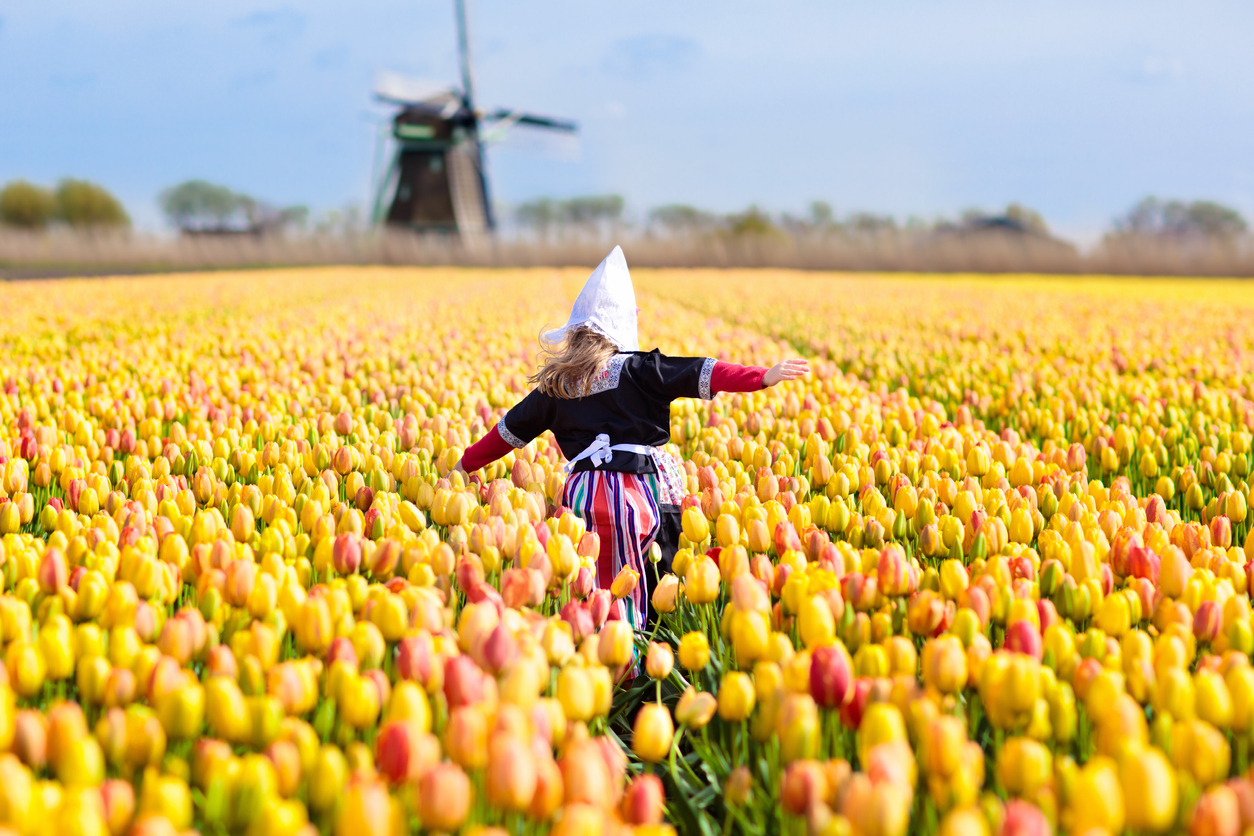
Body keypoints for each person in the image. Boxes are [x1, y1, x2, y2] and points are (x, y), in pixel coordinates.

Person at [456, 246, 808, 633]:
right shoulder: (641, 370)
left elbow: (507, 432)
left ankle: (592, 643)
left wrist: (463, 465)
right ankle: (646, 644)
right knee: (652, 569)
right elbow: (701, 371)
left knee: (587, 575)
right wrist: (761, 376)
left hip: (582, 495)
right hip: (638, 490)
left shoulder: (557, 386)